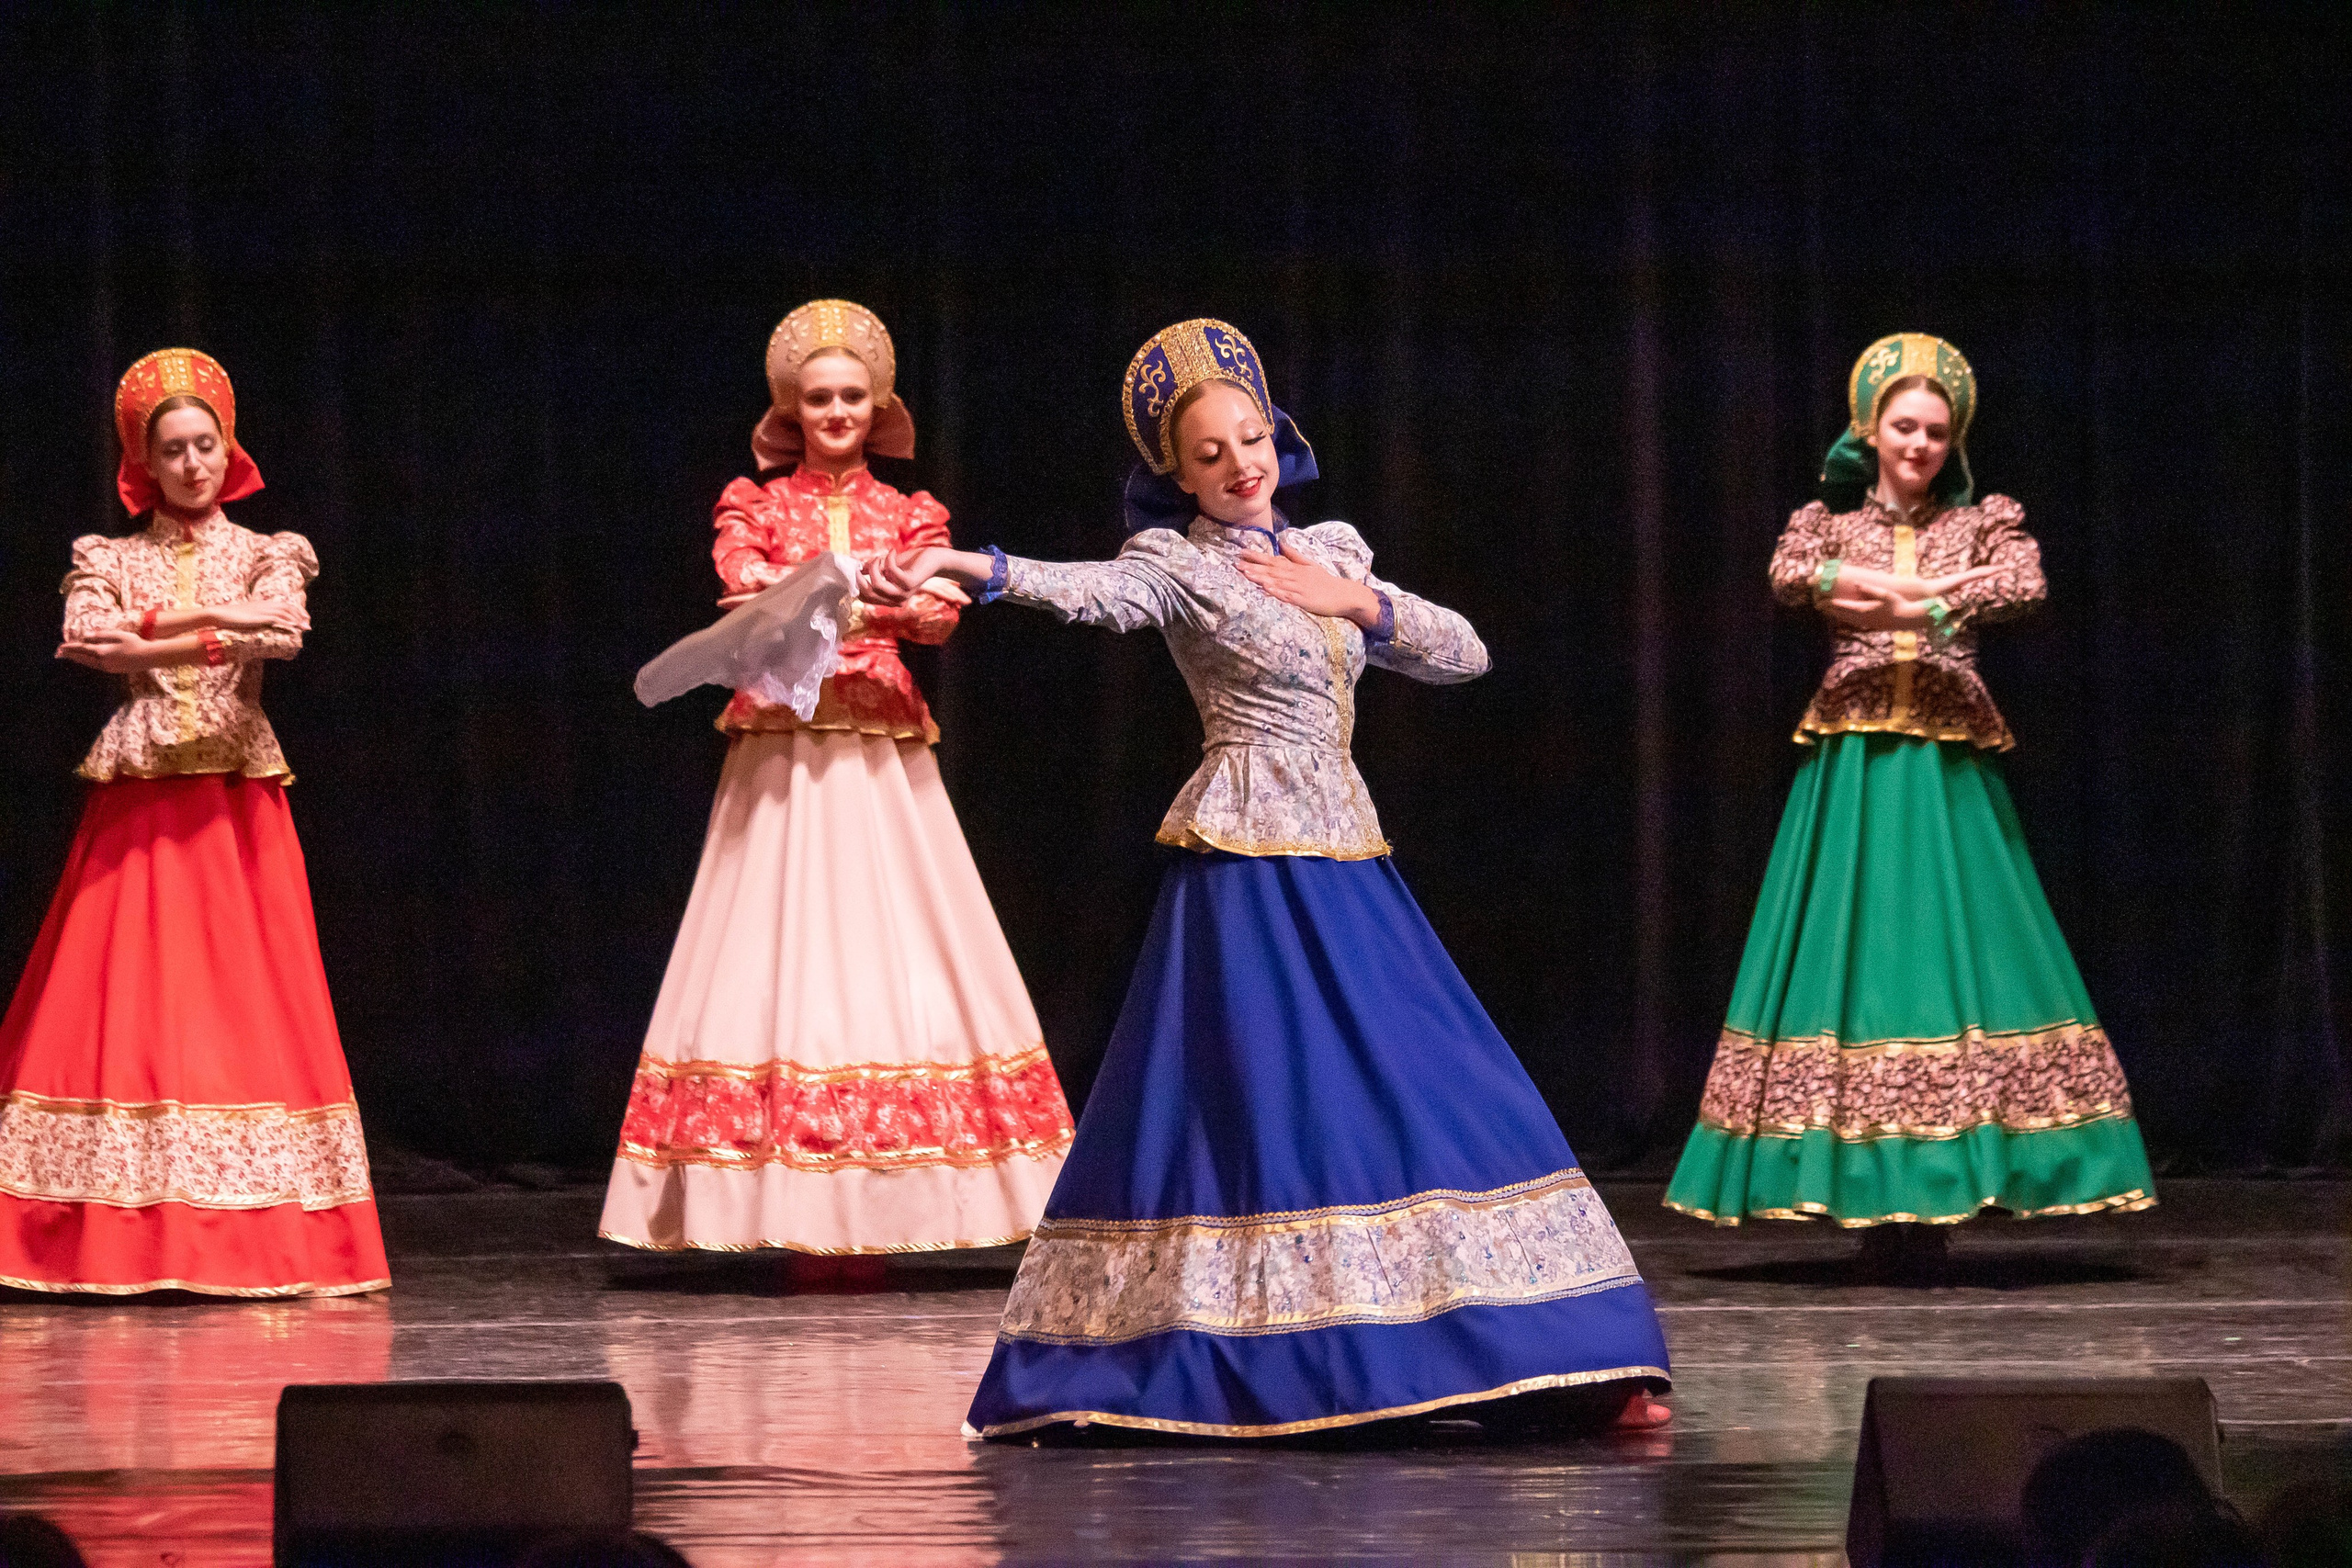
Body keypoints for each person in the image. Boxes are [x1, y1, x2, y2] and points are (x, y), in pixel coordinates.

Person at [872, 318, 1672, 1439]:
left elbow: (1467, 652)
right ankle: (1277, 1361)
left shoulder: (1334, 549)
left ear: (1277, 437)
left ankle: (1542, 1348)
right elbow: (1094, 593)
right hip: (1244, 863)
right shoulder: (1175, 563)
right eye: (1207, 455)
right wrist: (980, 568)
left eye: (1249, 439)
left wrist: (1361, 604)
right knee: (1260, 1105)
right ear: (1174, 473)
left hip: (1345, 850)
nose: (1237, 464)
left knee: (1424, 1078)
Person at [599, 299, 1074, 1276]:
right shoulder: (753, 500)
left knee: (890, 937)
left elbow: (939, 616)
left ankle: (907, 1192)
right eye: (818, 397)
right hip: (781, 739)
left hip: (877, 737)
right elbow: (744, 591)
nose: (836, 411)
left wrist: (835, 594)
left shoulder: (915, 511)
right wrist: (865, 595)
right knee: (772, 939)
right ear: (791, 406)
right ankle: (769, 1187)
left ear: (880, 403)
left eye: (853, 395)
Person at [1662, 333, 2156, 1268]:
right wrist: (1910, 593)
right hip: (1853, 766)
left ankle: (1952, 1182)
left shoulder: (1986, 521)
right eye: (1903, 427)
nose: (1920, 445)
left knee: (1955, 957)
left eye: (1935, 431)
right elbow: (1789, 577)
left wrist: (1909, 597)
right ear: (1869, 430)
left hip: (1945, 767)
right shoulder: (1823, 522)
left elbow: (2020, 585)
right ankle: (1859, 1192)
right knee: (1850, 964)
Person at [0, 348, 388, 1297]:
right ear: (145, 460)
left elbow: (285, 633)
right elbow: (88, 644)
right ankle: (102, 1230)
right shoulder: (107, 556)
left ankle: (259, 1234)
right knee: (123, 1001)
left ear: (229, 448)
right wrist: (223, 625)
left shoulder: (270, 549)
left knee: (246, 1001)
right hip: (137, 799)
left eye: (205, 445)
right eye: (171, 450)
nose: (191, 465)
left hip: (231, 795)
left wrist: (180, 621)